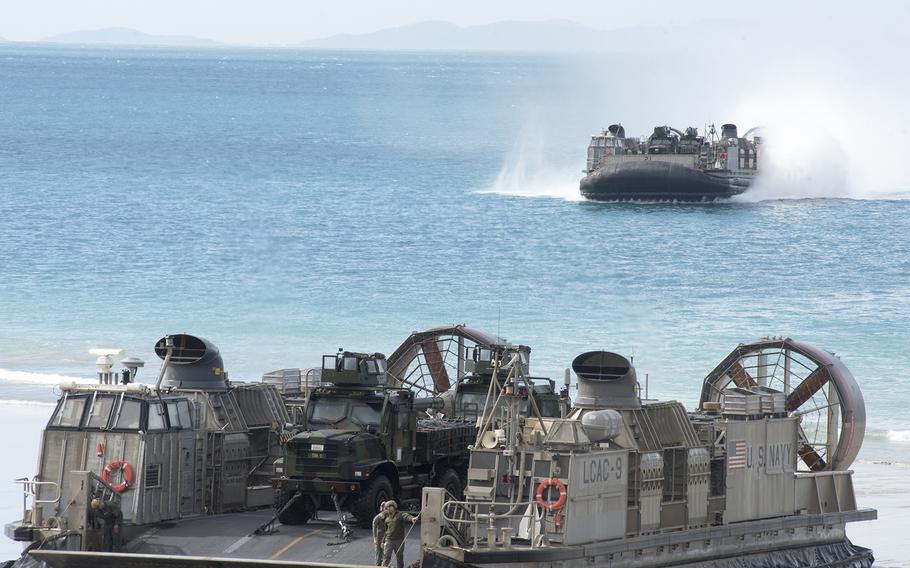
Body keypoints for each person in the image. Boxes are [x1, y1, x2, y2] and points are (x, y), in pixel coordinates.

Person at [381, 501, 417, 568]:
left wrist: (412, 518)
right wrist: (383, 541)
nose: (386, 510)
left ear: (392, 507)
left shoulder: (400, 515)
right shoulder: (387, 518)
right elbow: (386, 531)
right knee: (386, 557)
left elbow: (406, 516)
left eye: (387, 508)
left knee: (399, 557)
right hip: (389, 540)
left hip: (399, 540)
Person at [372, 502, 389, 566]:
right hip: (379, 536)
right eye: (386, 508)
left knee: (386, 552)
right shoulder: (377, 518)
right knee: (378, 553)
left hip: (386, 536)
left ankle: (384, 565)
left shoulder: (388, 517)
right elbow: (374, 528)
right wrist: (375, 538)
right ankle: (378, 564)